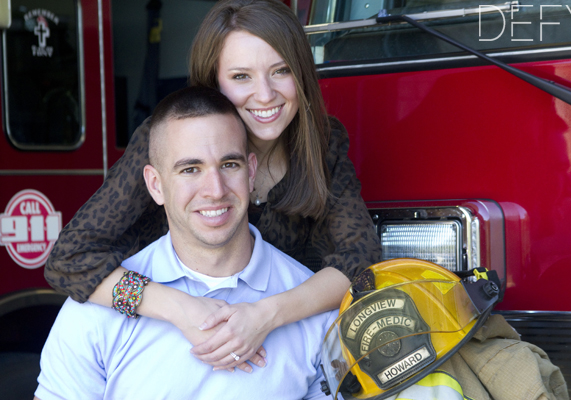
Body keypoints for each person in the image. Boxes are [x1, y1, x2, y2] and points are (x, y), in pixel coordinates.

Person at [45, 0, 381, 373]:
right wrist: (180, 309)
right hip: (164, 344)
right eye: (241, 77)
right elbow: (69, 261)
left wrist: (264, 316)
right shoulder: (168, 139)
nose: (265, 94)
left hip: (283, 354)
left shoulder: (324, 141)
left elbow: (361, 262)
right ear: (213, 82)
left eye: (280, 71)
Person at [34, 86, 337, 400]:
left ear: (251, 172)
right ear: (156, 185)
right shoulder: (97, 309)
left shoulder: (313, 308)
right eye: (190, 169)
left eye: (229, 165)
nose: (215, 190)